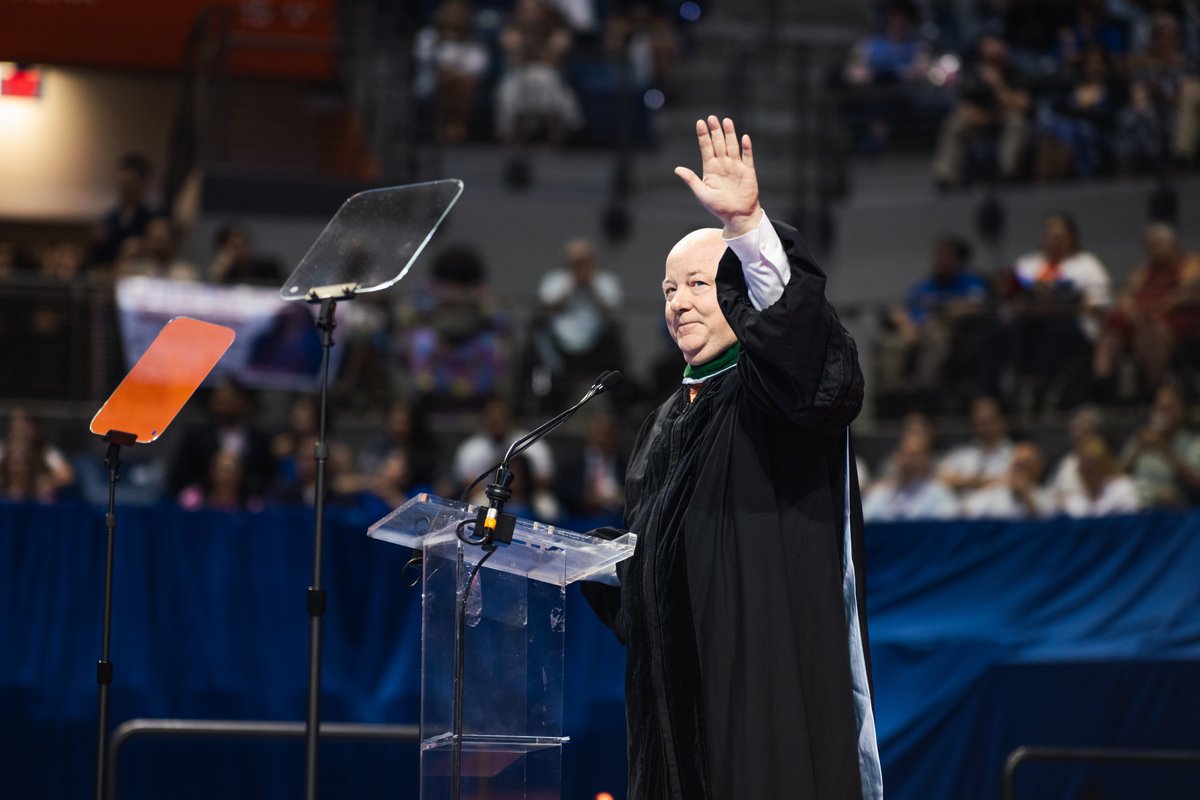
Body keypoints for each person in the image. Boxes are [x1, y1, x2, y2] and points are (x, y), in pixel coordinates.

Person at [583, 117, 881, 799]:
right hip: (670, 720)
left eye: (696, 284)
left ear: (738, 290)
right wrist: (570, 565)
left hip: (762, 692)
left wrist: (748, 229)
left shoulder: (774, 390)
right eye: (667, 290)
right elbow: (653, 586)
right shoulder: (663, 423)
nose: (679, 303)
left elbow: (810, 355)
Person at [1118, 384, 1200, 508]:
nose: (1162, 414)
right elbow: (1114, 479)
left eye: (1168, 409)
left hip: (1169, 508)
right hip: (1133, 505)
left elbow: (1196, 483)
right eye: (1158, 409)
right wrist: (1137, 451)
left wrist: (1164, 450)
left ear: (1182, 411)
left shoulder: (1193, 443)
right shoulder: (1140, 440)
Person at [863, 432, 959, 521]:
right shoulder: (881, 493)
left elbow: (947, 527)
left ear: (926, 459)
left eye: (914, 455)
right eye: (904, 453)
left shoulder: (940, 492)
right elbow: (864, 519)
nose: (908, 460)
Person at [937, 395, 1015, 494]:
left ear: (1001, 422)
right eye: (979, 423)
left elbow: (1013, 482)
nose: (984, 428)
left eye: (988, 422)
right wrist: (985, 482)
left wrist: (963, 481)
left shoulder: (1014, 453)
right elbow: (941, 479)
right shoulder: (961, 454)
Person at [962, 440, 1055, 519]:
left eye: (1025, 465)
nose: (1020, 471)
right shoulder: (995, 491)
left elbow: (1049, 524)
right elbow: (964, 513)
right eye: (1017, 465)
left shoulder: (1046, 496)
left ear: (1038, 468)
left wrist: (1027, 498)